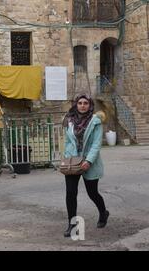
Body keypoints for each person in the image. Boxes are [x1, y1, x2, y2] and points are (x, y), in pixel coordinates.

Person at [62, 94, 109, 237]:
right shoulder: (69, 120)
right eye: (80, 103)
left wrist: (88, 161)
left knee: (92, 193)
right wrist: (66, 157)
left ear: (90, 105)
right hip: (73, 161)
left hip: (89, 162)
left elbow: (96, 144)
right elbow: (68, 141)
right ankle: (72, 223)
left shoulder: (96, 121)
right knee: (71, 193)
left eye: (86, 103)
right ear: (76, 104)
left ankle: (103, 212)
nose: (83, 105)